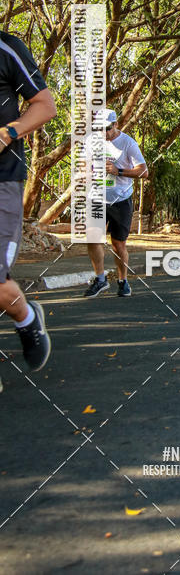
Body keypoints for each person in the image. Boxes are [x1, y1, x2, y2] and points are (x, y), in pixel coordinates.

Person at [0, 31, 56, 370]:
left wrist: (7, 133)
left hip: (2, 179)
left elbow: (45, 105)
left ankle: (25, 315)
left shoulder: (7, 48)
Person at [84, 109, 148, 297]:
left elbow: (144, 171)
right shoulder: (91, 141)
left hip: (120, 200)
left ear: (116, 125)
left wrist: (118, 171)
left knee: (118, 244)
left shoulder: (127, 143)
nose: (103, 133)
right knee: (93, 238)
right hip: (96, 198)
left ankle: (123, 280)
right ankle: (101, 279)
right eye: (99, 129)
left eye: (107, 128)